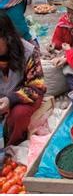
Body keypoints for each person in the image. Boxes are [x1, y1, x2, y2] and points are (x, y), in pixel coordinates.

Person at [0, 12, 46, 146]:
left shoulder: (28, 52)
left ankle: (12, 146)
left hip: (24, 97)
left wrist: (10, 99)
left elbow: (37, 87)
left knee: (18, 115)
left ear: (7, 37)